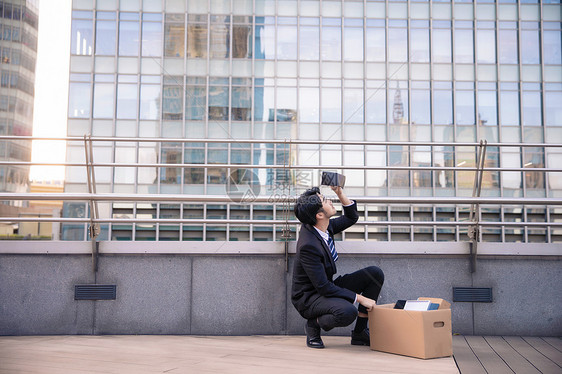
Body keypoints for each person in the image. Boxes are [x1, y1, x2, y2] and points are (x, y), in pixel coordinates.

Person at [291, 186, 384, 348]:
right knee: (348, 312)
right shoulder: (308, 245)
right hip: (309, 298)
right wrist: (360, 298)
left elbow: (351, 217)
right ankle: (314, 324)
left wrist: (339, 193)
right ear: (319, 215)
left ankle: (360, 333)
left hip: (326, 287)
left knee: (374, 274)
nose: (330, 201)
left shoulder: (323, 227)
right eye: (325, 200)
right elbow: (323, 287)